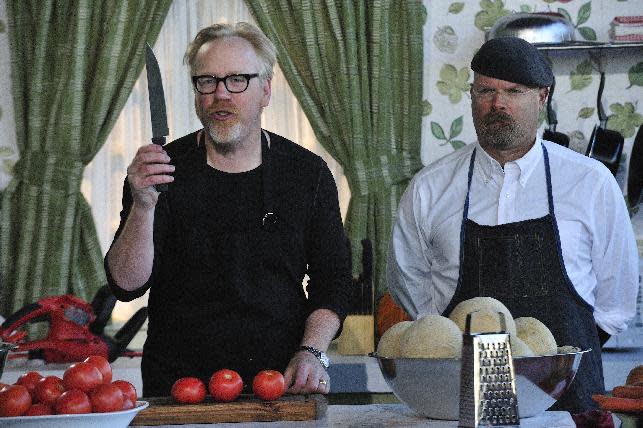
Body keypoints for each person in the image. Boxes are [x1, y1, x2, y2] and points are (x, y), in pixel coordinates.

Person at [387, 36, 639, 413]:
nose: (497, 104)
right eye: (485, 90)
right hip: (463, 400)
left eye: (514, 91)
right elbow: (408, 282)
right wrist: (442, 340)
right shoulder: (430, 188)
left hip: (569, 399)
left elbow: (615, 299)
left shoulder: (591, 182)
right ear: (471, 97)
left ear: (542, 97)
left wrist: (555, 360)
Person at [105, 22, 352, 397]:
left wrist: (312, 351)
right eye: (207, 81)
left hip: (277, 384)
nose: (221, 93)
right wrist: (143, 207)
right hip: (178, 389)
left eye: (237, 79)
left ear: (266, 90)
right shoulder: (157, 173)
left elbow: (332, 281)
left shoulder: (307, 174)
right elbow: (125, 285)